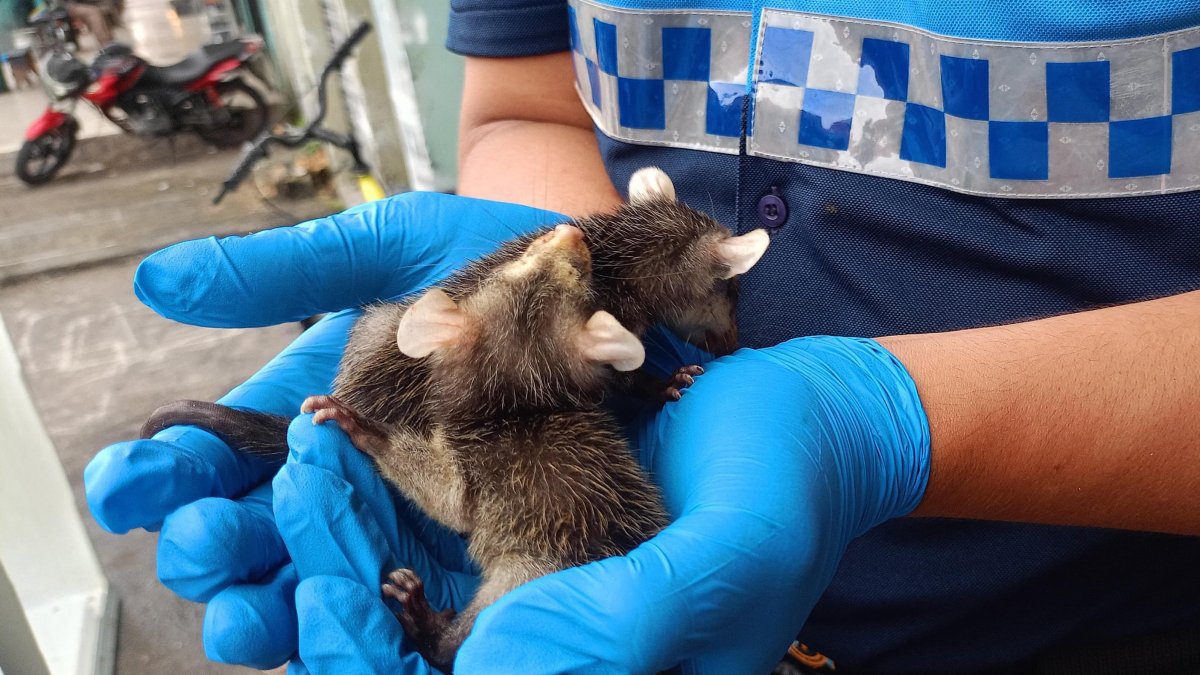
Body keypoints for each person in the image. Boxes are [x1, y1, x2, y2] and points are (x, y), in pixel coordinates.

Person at [84, 0, 1200, 673]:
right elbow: (530, 103)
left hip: (1092, 623)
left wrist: (892, 426)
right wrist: (503, 301)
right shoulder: (550, 349)